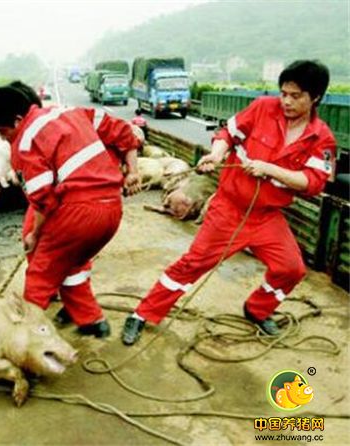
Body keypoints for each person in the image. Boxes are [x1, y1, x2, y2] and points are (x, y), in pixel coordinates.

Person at [121, 60, 336, 346]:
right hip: (229, 209)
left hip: (266, 216)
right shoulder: (262, 108)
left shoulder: (321, 138)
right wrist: (217, 154)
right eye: (284, 93)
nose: (286, 101)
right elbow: (227, 135)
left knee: (291, 268)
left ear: (316, 97)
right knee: (191, 265)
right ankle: (142, 314)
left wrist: (269, 168)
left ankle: (257, 309)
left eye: (296, 96)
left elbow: (313, 183)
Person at [0, 84, 141, 338]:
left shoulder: (24, 145)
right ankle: (91, 320)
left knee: (40, 274)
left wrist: (35, 234)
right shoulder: (72, 113)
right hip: (111, 211)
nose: (3, 138)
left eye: (3, 132)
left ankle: (25, 340)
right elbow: (124, 132)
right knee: (72, 263)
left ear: (18, 119)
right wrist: (132, 172)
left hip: (78, 213)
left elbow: (44, 201)